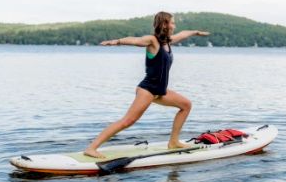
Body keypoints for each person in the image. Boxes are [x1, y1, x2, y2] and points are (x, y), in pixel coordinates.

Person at [84, 11, 210, 158]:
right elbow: (136, 40)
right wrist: (117, 41)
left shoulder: (168, 41)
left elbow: (183, 34)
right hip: (148, 89)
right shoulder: (152, 40)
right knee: (127, 121)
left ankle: (174, 142)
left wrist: (196, 32)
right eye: (172, 22)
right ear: (164, 24)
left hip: (160, 91)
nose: (174, 25)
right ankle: (92, 148)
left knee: (186, 105)